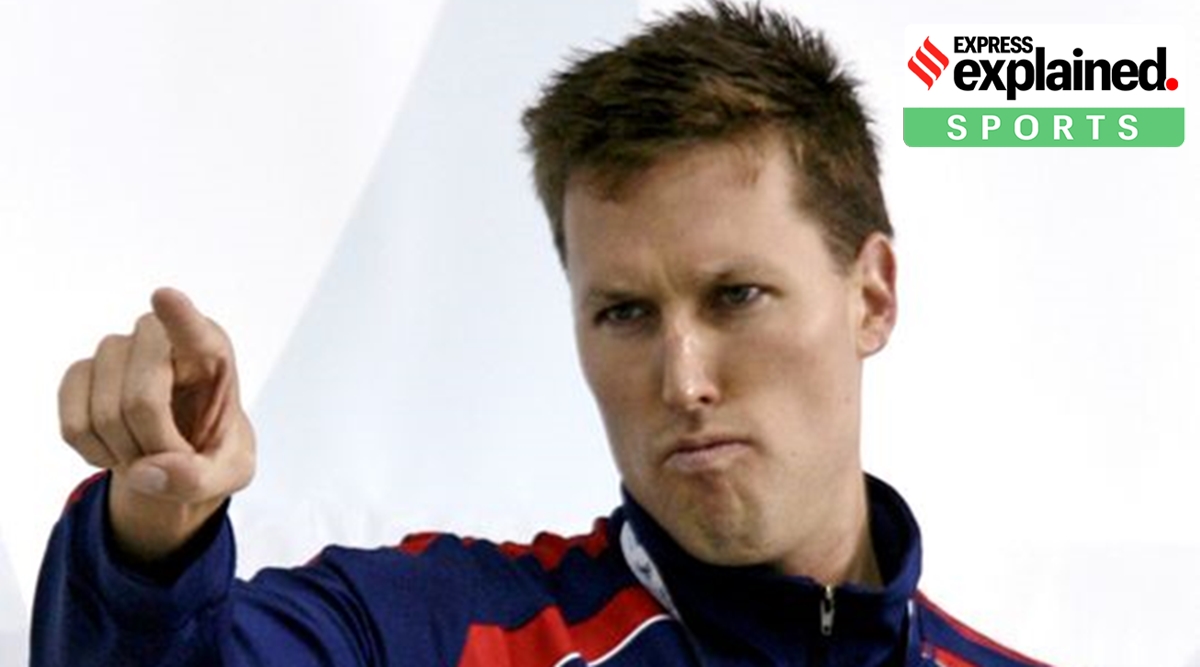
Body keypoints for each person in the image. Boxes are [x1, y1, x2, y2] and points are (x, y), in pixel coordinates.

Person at [31, 3, 1053, 666]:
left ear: (870, 294)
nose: (682, 378)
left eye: (736, 295)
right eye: (625, 313)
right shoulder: (438, 632)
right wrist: (151, 540)